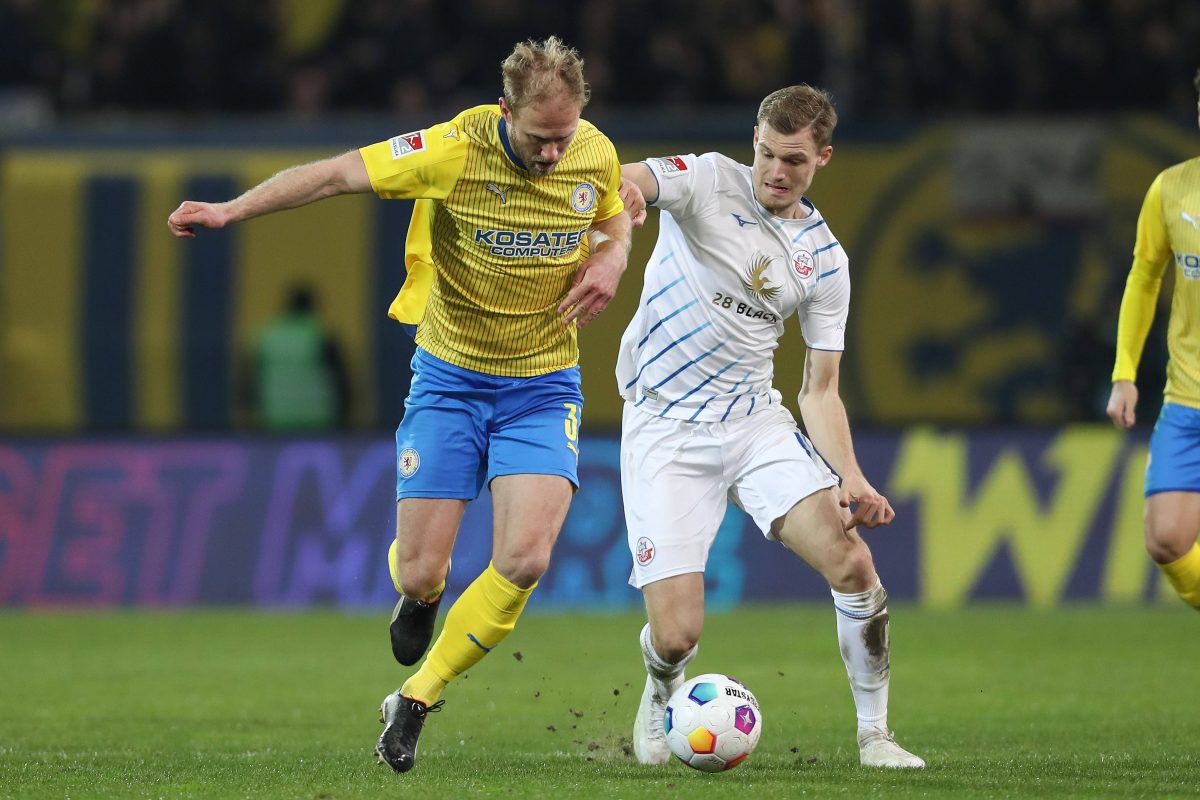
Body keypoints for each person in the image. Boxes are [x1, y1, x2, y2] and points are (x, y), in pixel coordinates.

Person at [168, 36, 634, 773]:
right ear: (505, 109)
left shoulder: (594, 153)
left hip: (543, 387)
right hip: (450, 380)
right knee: (420, 572)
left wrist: (610, 257)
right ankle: (419, 599)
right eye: (540, 139)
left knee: (524, 557)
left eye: (564, 137)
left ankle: (416, 696)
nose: (553, 154)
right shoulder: (451, 148)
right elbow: (332, 176)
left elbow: (617, 215)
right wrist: (231, 211)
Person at [615, 85, 925, 769]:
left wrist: (851, 477)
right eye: (765, 153)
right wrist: (631, 194)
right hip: (665, 432)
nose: (774, 172)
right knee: (676, 635)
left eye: (792, 160)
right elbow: (633, 176)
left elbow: (819, 391)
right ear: (751, 139)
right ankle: (662, 685)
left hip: (754, 425)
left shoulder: (826, 260)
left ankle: (876, 737)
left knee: (853, 563)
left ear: (823, 159)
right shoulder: (705, 180)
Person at [1106, 69, 1200, 614]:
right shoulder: (1171, 188)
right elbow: (1144, 278)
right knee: (1166, 540)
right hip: (1186, 403)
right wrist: (1125, 373)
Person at [249, 284, 349, 431]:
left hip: (275, 418)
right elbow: (340, 378)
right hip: (317, 420)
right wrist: (346, 415)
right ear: (312, 307)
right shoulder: (320, 333)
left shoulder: (267, 335)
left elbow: (251, 379)